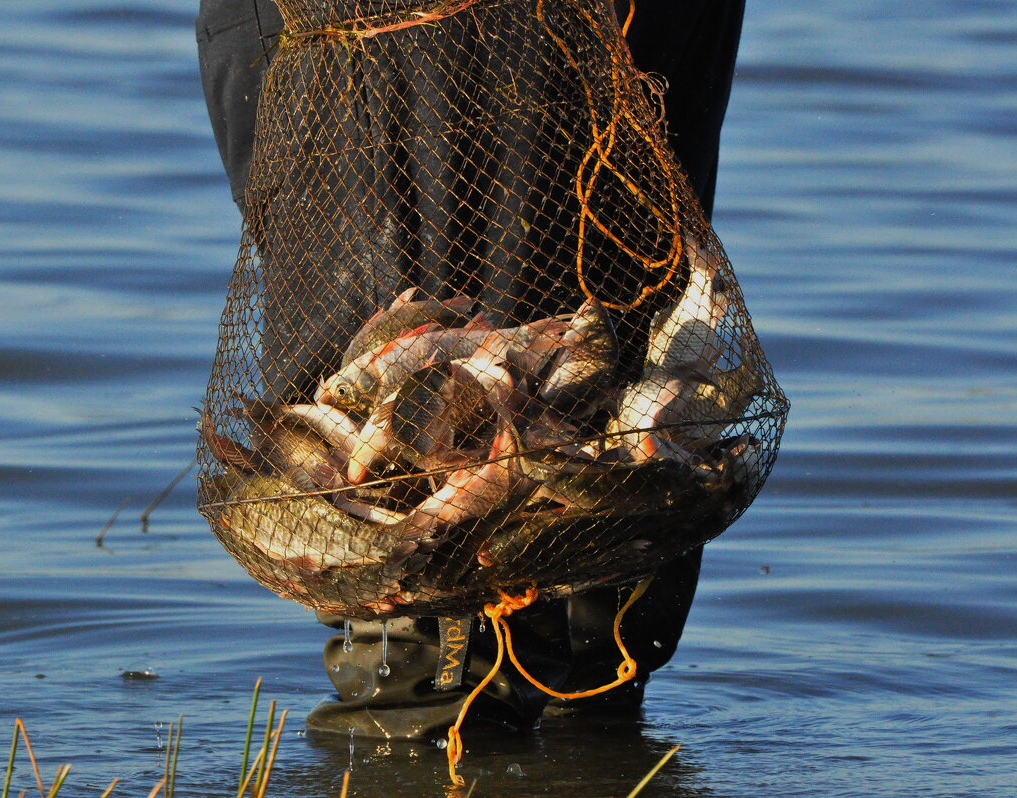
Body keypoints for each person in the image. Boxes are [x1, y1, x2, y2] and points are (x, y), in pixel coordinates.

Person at [196, 0, 745, 741]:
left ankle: (504, 729)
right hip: (363, 44)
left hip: (525, 41)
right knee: (465, 620)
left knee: (596, 544)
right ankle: (500, 729)